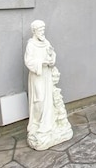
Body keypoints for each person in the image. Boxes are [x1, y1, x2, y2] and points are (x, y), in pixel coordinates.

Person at [24, 20, 73, 150]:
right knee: (39, 100)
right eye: (40, 30)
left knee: (49, 100)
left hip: (47, 75)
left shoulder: (46, 42)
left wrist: (51, 59)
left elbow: (52, 55)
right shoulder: (31, 45)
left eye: (43, 30)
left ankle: (48, 126)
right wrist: (41, 62)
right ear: (34, 31)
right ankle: (37, 125)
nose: (42, 32)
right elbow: (29, 61)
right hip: (37, 76)